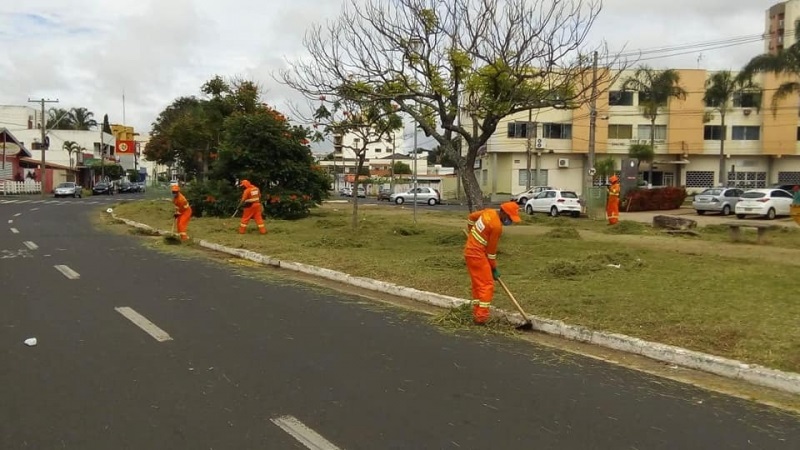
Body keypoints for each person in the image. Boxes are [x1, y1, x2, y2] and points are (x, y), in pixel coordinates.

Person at [464, 201, 521, 325]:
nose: (510, 221)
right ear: (504, 213)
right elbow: (491, 253)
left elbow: (471, 218)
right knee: (486, 285)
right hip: (478, 255)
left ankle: (476, 312)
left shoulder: (488, 212)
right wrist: (494, 269)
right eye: (510, 218)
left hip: (469, 252)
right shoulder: (496, 227)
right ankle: (481, 318)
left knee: (478, 284)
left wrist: (471, 235)